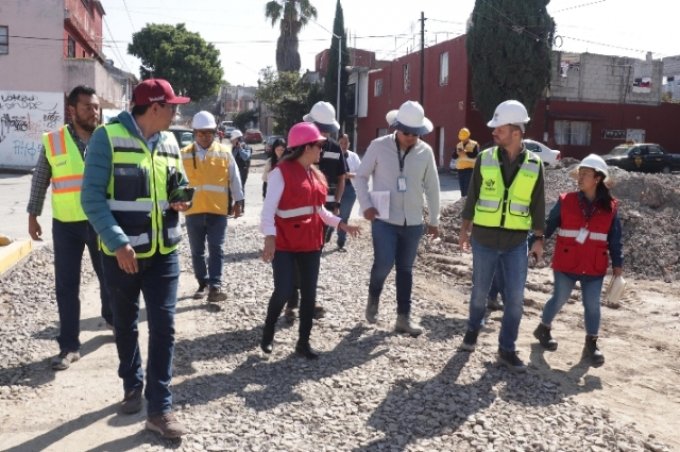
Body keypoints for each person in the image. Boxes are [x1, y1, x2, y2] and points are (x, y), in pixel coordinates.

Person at [81, 78, 191, 438]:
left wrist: (181, 197)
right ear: (155, 107)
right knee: (125, 323)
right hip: (122, 256)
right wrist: (118, 243)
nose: (176, 113)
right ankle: (132, 383)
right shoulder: (107, 138)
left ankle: (160, 409)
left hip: (164, 253)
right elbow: (91, 198)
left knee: (164, 326)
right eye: (172, 107)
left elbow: (179, 182)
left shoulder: (170, 141)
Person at [27, 85, 113, 371]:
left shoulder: (108, 138)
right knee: (66, 285)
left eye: (96, 107)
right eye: (88, 107)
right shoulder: (54, 141)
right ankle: (69, 346)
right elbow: (40, 179)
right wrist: (33, 214)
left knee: (109, 277)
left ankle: (112, 317)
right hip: (66, 224)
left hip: (101, 221)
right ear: (72, 110)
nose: (94, 112)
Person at [458, 99, 545, 373]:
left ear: (516, 132)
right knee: (479, 293)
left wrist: (539, 238)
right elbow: (472, 196)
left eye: (500, 128)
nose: (494, 132)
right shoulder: (484, 158)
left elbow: (538, 203)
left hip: (516, 243)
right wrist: (464, 230)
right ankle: (473, 329)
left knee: (515, 299)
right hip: (483, 239)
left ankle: (507, 348)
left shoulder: (535, 164)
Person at [259, 122, 360, 359]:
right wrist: (269, 239)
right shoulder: (280, 173)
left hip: (311, 242)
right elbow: (267, 211)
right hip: (285, 242)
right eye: (318, 146)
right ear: (306, 147)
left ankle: (303, 343)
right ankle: (268, 332)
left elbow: (319, 210)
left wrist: (341, 224)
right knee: (284, 290)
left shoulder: (315, 174)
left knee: (309, 294)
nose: (321, 150)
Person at [355, 100, 440, 337]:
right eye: (406, 132)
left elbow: (433, 187)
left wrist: (434, 221)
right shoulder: (378, 146)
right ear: (396, 127)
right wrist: (366, 205)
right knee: (384, 264)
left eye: (415, 133)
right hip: (384, 220)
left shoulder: (426, 152)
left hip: (413, 223)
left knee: (405, 269)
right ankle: (374, 296)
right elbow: (360, 176)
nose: (410, 137)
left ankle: (403, 318)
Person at [533, 154, 623, 366]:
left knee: (592, 305)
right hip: (566, 262)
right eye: (579, 174)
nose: (580, 178)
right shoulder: (566, 201)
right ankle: (543, 328)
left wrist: (618, 265)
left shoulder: (611, 207)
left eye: (585, 174)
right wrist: (537, 241)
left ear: (597, 179)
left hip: (594, 265)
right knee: (559, 298)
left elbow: (615, 238)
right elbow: (549, 225)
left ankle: (591, 343)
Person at [182, 111, 243, 303]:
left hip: (218, 210)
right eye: (201, 133)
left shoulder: (224, 152)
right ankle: (203, 283)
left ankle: (215, 286)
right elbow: (176, 181)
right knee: (197, 251)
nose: (205, 137)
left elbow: (234, 178)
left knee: (217, 248)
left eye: (209, 133)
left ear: (214, 133)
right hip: (193, 211)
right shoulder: (184, 154)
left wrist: (239, 200)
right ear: (195, 133)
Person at [262, 137, 300, 323]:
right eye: (278, 148)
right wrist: (269, 235)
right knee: (285, 273)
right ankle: (283, 307)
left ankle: (293, 305)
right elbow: (267, 202)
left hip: (300, 231)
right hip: (281, 230)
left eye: (283, 148)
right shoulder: (275, 169)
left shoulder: (304, 170)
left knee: (298, 271)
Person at [303, 101, 348, 244]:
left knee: (318, 244)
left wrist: (337, 204)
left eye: (327, 129)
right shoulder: (300, 145)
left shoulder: (335, 147)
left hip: (327, 207)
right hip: (302, 206)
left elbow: (341, 178)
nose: (324, 132)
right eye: (321, 128)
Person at [334, 133, 362, 251]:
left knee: (344, 216)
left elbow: (361, 173)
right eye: (341, 143)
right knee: (332, 214)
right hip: (335, 189)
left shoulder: (354, 156)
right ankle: (327, 233)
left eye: (346, 143)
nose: (343, 145)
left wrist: (348, 175)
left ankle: (341, 242)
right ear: (337, 143)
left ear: (349, 144)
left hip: (349, 189)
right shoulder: (333, 155)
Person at [230, 129, 251, 214]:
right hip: (235, 169)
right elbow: (232, 158)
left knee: (241, 187)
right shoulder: (234, 148)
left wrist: (240, 149)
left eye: (233, 140)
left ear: (237, 139)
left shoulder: (246, 147)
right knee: (234, 187)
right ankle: (235, 206)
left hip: (243, 170)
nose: (232, 141)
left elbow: (245, 157)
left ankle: (241, 208)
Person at [455, 127, 480, 197]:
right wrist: (457, 153)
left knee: (468, 187)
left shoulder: (474, 144)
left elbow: (475, 155)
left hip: (470, 169)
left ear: (468, 136)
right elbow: (454, 156)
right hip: (460, 169)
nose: (463, 140)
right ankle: (463, 200)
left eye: (464, 138)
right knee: (462, 187)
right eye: (462, 139)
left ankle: (468, 201)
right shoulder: (459, 145)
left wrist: (465, 152)